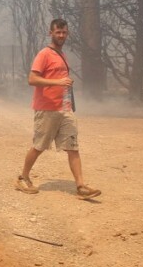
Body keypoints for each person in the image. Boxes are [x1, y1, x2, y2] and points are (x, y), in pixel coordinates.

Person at [16, 18, 101, 199]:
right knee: (39, 146)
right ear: (51, 33)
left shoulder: (62, 55)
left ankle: (81, 186)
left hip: (65, 108)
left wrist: (65, 88)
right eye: (58, 32)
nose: (61, 35)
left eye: (64, 32)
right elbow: (32, 79)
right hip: (46, 109)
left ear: (67, 33)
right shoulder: (44, 54)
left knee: (73, 147)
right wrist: (58, 82)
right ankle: (22, 178)